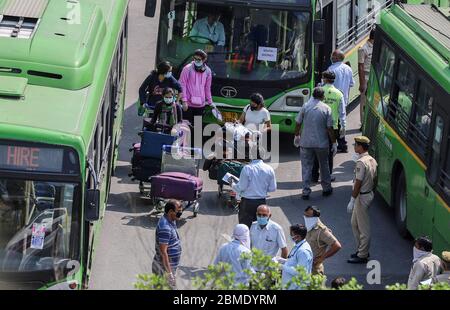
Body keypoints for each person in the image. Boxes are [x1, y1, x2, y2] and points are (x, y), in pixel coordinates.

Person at [293, 87, 336, 200]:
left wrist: (297, 135)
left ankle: (306, 191)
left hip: (306, 143)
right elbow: (329, 128)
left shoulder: (305, 106)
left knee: (306, 167)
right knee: (324, 166)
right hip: (322, 144)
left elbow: (298, 123)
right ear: (322, 96)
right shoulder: (327, 108)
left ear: (313, 95)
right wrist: (334, 142)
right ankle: (326, 188)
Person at [346, 136, 378, 264]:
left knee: (363, 228)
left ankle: (363, 255)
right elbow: (375, 179)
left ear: (360, 146)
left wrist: (352, 199)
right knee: (354, 223)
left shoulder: (361, 162)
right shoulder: (371, 160)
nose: (354, 147)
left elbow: (358, 182)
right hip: (367, 194)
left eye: (355, 145)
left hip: (361, 196)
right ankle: (361, 249)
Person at [312, 71, 346, 183]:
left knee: (317, 151)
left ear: (325, 79)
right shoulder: (339, 94)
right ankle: (328, 176)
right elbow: (342, 113)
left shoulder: (318, 92)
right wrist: (343, 127)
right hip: (333, 128)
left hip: (318, 126)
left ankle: (314, 176)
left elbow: (311, 106)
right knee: (330, 152)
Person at [231, 148, 277, 228]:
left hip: (247, 203)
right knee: (261, 228)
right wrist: (262, 188)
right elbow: (273, 188)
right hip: (262, 202)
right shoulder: (269, 169)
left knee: (245, 228)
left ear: (251, 155)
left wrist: (232, 184)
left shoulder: (247, 168)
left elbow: (241, 187)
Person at [179, 49, 217, 126]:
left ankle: (195, 138)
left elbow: (207, 88)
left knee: (197, 130)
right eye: (195, 58)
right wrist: (184, 101)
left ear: (204, 60)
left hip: (200, 106)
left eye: (199, 59)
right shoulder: (187, 68)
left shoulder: (208, 71)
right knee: (185, 128)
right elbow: (182, 84)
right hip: (188, 105)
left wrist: (210, 102)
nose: (196, 61)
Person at [152, 200, 183, 289]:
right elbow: (163, 252)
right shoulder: (165, 227)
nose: (180, 215)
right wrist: (169, 273)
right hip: (163, 269)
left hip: (168, 267)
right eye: (178, 213)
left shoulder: (170, 220)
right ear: (170, 212)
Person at [328, 49, 354, 152]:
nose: (332, 58)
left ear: (337, 58)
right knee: (340, 121)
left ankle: (340, 144)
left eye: (333, 56)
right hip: (344, 99)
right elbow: (352, 83)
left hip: (333, 99)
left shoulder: (331, 69)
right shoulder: (348, 69)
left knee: (334, 123)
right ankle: (342, 143)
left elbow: (328, 84)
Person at [304, 206, 342, 275]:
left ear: (314, 218)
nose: (305, 218)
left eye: (308, 216)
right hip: (305, 266)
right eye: (305, 215)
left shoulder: (322, 230)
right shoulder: (308, 226)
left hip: (314, 268)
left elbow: (337, 246)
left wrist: (322, 258)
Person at [281, 224, 313, 290]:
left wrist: (281, 267)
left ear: (297, 236)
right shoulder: (298, 245)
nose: (290, 236)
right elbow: (293, 262)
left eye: (291, 234)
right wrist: (281, 260)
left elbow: (300, 272)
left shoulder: (303, 251)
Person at [358, 29, 375, 129]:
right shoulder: (363, 49)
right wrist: (362, 83)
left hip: (373, 77)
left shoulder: (375, 47)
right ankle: (363, 124)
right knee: (364, 102)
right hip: (366, 76)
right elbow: (360, 66)